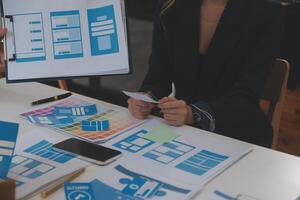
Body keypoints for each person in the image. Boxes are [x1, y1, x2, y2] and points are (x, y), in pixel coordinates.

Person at [128, 0, 283, 147]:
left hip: (237, 133)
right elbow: (157, 78)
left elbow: (247, 94)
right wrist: (144, 99)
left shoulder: (265, 11)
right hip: (180, 131)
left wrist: (192, 113)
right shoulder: (170, 6)